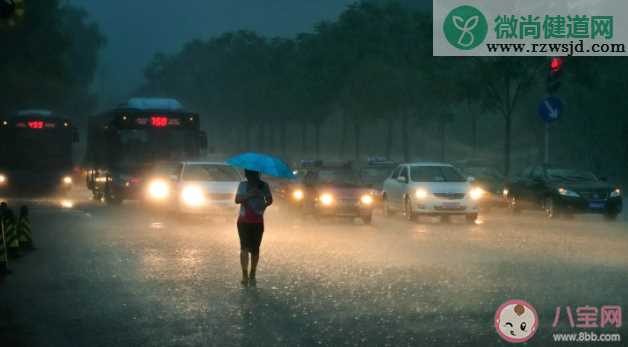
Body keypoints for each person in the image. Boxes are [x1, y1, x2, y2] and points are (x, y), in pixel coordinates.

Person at [235, 169, 272, 286]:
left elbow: (270, 200)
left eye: (254, 174)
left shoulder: (264, 185)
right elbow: (237, 200)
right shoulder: (243, 185)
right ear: (247, 175)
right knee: (244, 247)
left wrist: (264, 204)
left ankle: (253, 272)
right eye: (249, 174)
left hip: (257, 221)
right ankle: (245, 274)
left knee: (255, 249)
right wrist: (250, 194)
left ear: (258, 174)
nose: (251, 177)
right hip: (243, 221)